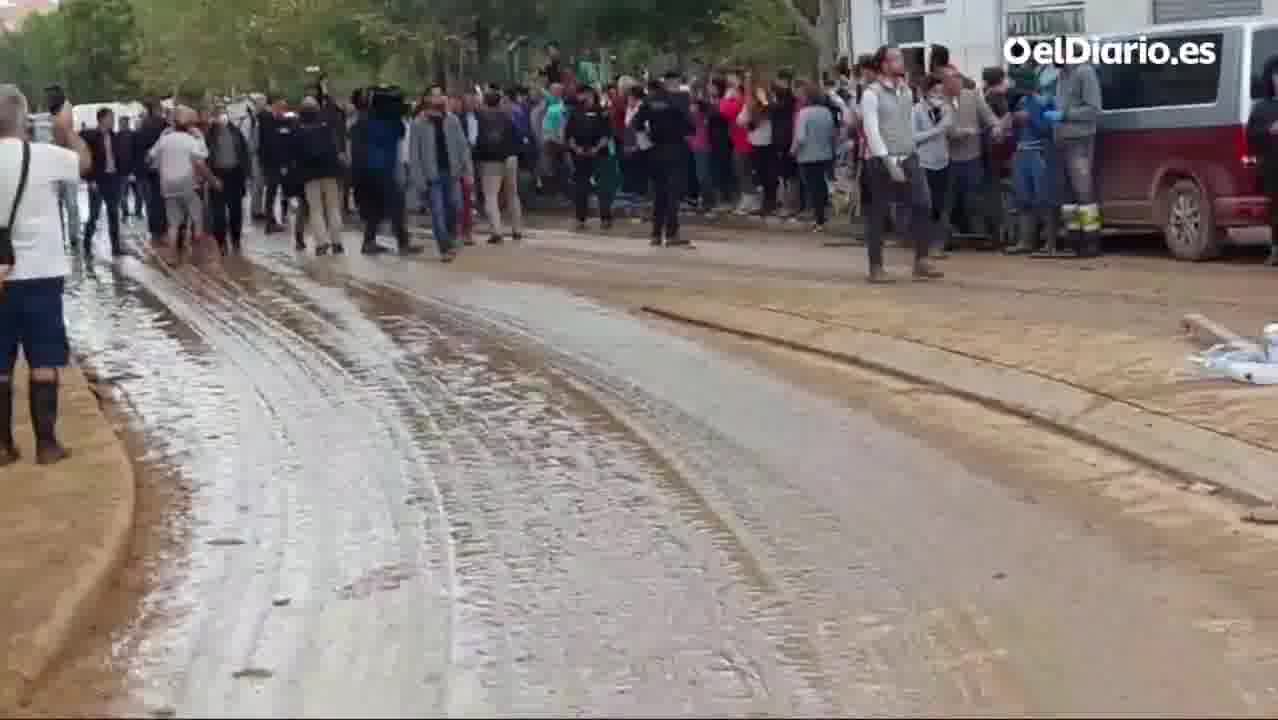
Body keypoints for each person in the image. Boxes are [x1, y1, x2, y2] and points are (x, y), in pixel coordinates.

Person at [0, 84, 91, 465]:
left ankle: (3, 447)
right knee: (44, 361)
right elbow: (85, 164)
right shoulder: (44, 156)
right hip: (41, 275)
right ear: (23, 119)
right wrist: (68, 130)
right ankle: (47, 445)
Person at [861, 45, 943, 283]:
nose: (901, 62)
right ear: (884, 65)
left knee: (923, 204)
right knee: (878, 212)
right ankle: (876, 267)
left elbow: (907, 125)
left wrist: (912, 151)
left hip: (909, 155)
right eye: (895, 59)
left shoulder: (907, 91)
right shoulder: (871, 94)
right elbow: (872, 132)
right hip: (880, 159)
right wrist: (888, 162)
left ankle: (922, 260)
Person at [940, 65, 1006, 255]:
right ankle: (945, 238)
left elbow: (989, 117)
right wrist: (959, 133)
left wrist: (996, 127)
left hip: (972, 157)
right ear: (945, 84)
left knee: (974, 198)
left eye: (957, 80)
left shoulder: (973, 96)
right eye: (950, 81)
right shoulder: (939, 101)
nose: (955, 84)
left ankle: (979, 236)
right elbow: (945, 129)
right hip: (948, 158)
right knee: (948, 201)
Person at [351, 86, 420, 255]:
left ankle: (369, 242)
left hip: (366, 171)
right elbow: (401, 132)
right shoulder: (391, 122)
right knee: (396, 207)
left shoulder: (364, 121)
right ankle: (403, 243)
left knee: (375, 207)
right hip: (383, 171)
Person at [1045, 59, 1102, 258]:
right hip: (1061, 140)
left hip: (1080, 139)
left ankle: (1091, 241)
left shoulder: (1084, 72)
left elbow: (1094, 110)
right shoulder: (1061, 75)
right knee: (1067, 195)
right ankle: (1073, 240)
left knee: (1083, 191)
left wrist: (1064, 115)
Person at [148, 106, 220, 260]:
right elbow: (201, 161)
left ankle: (171, 256)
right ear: (188, 126)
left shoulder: (164, 138)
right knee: (197, 218)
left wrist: (160, 165)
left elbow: (150, 157)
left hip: (168, 186)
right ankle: (199, 254)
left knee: (173, 223)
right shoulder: (191, 140)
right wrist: (213, 181)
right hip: (188, 185)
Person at [633, 71, 694, 246]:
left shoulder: (649, 100)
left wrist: (647, 145)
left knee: (659, 193)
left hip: (655, 152)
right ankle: (672, 234)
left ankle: (655, 234)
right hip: (675, 150)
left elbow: (637, 124)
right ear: (674, 82)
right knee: (672, 193)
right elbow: (690, 126)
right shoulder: (681, 99)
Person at [408, 93, 470, 262]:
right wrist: (419, 179)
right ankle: (445, 247)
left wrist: (467, 171)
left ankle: (451, 237)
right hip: (432, 175)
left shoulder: (452, 121)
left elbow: (463, 146)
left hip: (452, 173)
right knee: (437, 212)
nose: (435, 112)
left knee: (455, 207)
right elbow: (414, 154)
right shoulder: (418, 124)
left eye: (439, 108)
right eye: (432, 108)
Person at [1005, 79, 1058, 255]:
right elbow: (1014, 129)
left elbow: (1048, 128)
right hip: (1022, 153)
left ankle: (1050, 243)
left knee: (1044, 198)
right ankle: (1026, 241)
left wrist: (1030, 117)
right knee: (1023, 198)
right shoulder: (1021, 101)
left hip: (1039, 152)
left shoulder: (1046, 101)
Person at [292, 97, 346, 255]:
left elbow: (296, 154)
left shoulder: (298, 128)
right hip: (329, 172)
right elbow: (334, 147)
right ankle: (337, 242)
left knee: (316, 210)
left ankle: (321, 243)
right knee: (333, 208)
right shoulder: (325, 125)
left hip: (310, 175)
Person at [565, 85, 616, 232]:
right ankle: (580, 218)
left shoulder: (602, 112)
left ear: (590, 94)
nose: (580, 98)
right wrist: (576, 148)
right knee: (581, 188)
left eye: (582, 95)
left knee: (603, 188)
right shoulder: (575, 112)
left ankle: (605, 218)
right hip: (580, 155)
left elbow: (607, 134)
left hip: (599, 154)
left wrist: (597, 148)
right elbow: (569, 135)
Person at [475, 90, 523, 244]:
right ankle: (517, 230)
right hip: (511, 158)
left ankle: (497, 232)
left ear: (485, 102)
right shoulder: (508, 116)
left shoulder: (481, 117)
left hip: (491, 161)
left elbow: (479, 140)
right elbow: (517, 137)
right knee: (512, 194)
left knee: (491, 196)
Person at [81, 107, 128, 261]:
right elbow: (86, 159)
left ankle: (116, 247)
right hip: (97, 180)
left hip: (112, 178)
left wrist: (122, 173)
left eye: (113, 118)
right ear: (101, 119)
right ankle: (86, 245)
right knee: (94, 214)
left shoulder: (115, 137)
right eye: (110, 118)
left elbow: (120, 156)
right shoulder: (91, 136)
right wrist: (90, 179)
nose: (113, 121)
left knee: (113, 212)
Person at [205, 104, 251, 254]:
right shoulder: (210, 134)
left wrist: (246, 173)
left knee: (235, 209)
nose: (222, 116)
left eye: (223, 113)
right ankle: (221, 241)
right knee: (218, 211)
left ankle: (236, 239)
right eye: (219, 113)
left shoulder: (236, 132)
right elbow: (205, 154)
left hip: (235, 175)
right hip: (217, 174)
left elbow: (244, 152)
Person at [792, 82, 838, 232]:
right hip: (825, 154)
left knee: (812, 188)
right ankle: (823, 216)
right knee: (821, 186)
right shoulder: (826, 112)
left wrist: (793, 150)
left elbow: (800, 137)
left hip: (807, 155)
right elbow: (832, 134)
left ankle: (819, 220)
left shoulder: (804, 113)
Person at [913, 75, 952, 244]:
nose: (939, 95)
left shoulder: (947, 108)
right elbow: (913, 136)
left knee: (939, 202)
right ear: (926, 92)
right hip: (924, 162)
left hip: (942, 160)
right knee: (925, 203)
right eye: (935, 91)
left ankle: (938, 241)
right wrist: (937, 130)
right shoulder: (916, 110)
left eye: (941, 91)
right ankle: (924, 240)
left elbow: (949, 130)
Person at [1248, 55, 1278, 265]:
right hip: (1273, 167)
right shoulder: (1261, 108)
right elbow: (1251, 138)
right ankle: (1276, 249)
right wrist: (1269, 130)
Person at [134, 100, 169, 245]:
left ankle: (155, 231)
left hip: (148, 168)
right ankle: (163, 230)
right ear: (157, 109)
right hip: (163, 167)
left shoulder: (143, 125)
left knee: (152, 201)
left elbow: (138, 147)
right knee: (163, 200)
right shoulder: (163, 125)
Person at [258, 96, 290, 233]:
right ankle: (270, 222)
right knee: (272, 191)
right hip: (272, 162)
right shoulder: (268, 119)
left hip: (270, 161)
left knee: (272, 192)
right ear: (276, 106)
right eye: (282, 108)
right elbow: (272, 144)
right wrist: (282, 162)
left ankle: (272, 221)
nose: (284, 112)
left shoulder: (270, 119)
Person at [116, 116, 142, 222]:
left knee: (137, 194)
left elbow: (137, 153)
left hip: (132, 171)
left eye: (124, 123)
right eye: (121, 123)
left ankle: (137, 212)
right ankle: (127, 213)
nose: (123, 125)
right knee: (124, 195)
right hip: (124, 171)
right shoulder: (118, 136)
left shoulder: (134, 135)